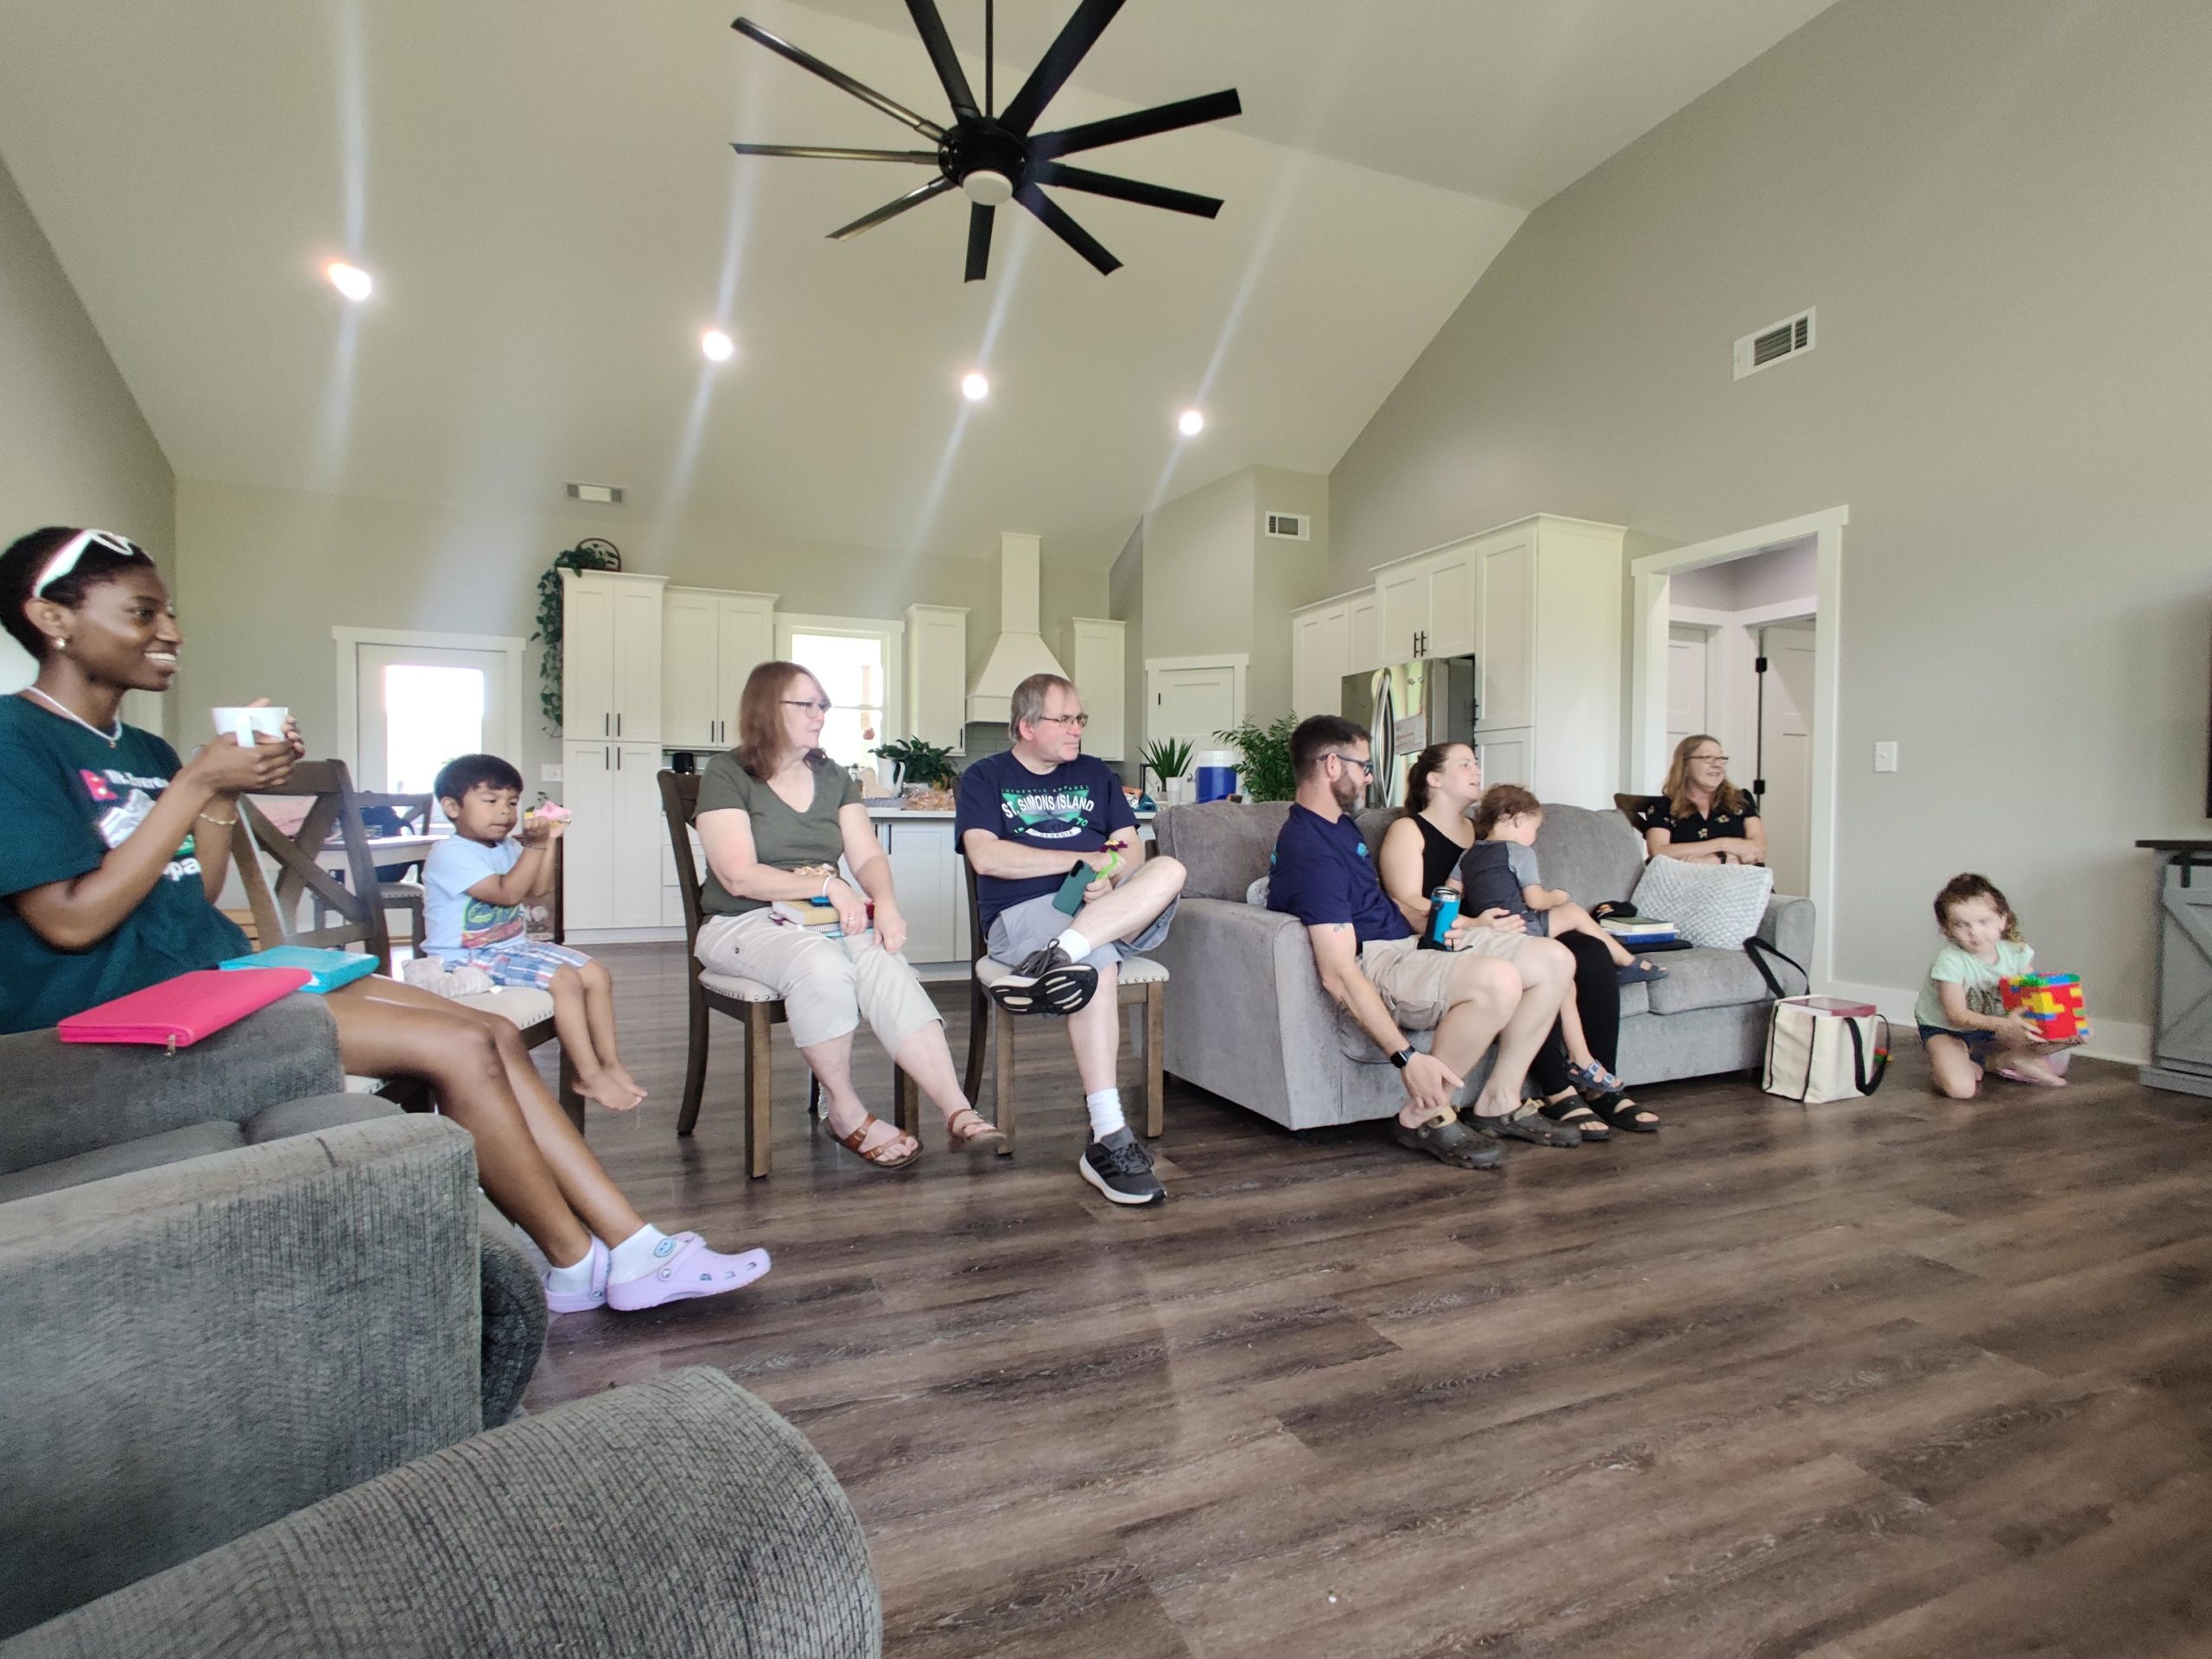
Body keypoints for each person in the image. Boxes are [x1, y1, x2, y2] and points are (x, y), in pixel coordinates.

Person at [0, 525, 769, 1315]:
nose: (171, 631)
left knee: (492, 1031)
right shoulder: (13, 739)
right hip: (114, 1014)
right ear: (52, 618)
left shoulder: (144, 750)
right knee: (462, 1043)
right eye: (143, 612)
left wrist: (221, 789)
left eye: (169, 612)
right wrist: (198, 784)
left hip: (211, 979)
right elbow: (68, 923)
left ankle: (628, 1250)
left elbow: (195, 896)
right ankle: (580, 1257)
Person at [692, 660, 1002, 1169]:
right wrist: (828, 885)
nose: (820, 715)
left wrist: (887, 905)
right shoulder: (727, 774)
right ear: (767, 708)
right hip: (742, 923)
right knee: (823, 967)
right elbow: (738, 876)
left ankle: (958, 1110)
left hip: (822, 919)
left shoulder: (833, 777)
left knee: (885, 962)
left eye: (823, 706)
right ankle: (844, 1110)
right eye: (807, 705)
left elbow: (867, 855)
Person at [1269, 717, 1578, 1169]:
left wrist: (1455, 925)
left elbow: (1385, 904)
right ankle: (1425, 1114)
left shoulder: (1340, 826)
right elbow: (1338, 973)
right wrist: (1407, 1057)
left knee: (1554, 959)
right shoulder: (1310, 852)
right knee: (1498, 980)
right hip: (1380, 961)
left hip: (1409, 943)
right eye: (1364, 766)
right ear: (1332, 765)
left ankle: (1499, 1101)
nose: (1369, 778)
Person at [957, 672, 1187, 1206]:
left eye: (1080, 718)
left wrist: (1109, 870)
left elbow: (1129, 847)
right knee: (1098, 964)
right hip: (1027, 913)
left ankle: (1058, 957)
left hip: (1106, 906)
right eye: (1064, 719)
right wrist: (1082, 860)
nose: (1077, 729)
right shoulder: (985, 777)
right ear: (1027, 726)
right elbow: (986, 857)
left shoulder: (1096, 774)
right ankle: (1108, 1136)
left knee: (1169, 869)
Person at [1376, 744, 1658, 1138]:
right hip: (1458, 936)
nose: (1477, 770)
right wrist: (1475, 923)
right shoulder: (1408, 829)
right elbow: (1406, 901)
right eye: (1465, 764)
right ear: (1434, 779)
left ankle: (1599, 1083)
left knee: (1591, 951)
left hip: (1506, 928)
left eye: (1476, 763)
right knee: (1538, 966)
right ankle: (1558, 1091)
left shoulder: (1482, 831)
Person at [422, 752, 645, 1113]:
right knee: (564, 980)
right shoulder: (450, 854)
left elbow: (538, 890)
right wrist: (535, 845)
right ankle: (587, 1075)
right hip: (464, 958)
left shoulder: (509, 847)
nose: (505, 811)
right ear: (452, 807)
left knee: (596, 974)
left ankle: (610, 1063)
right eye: (491, 801)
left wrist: (550, 840)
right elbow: (507, 893)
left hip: (511, 947)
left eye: (512, 803)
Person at [1913, 873, 2082, 1098]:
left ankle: (1996, 1060)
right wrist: (2004, 1025)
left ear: (2003, 919)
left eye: (1984, 922)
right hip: (1947, 1029)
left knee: (2069, 1034)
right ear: (1946, 929)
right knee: (1961, 1089)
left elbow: (2035, 996)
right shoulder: (1950, 961)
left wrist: (2068, 1023)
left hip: (1995, 1027)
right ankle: (1950, 1066)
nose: (1974, 933)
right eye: (1961, 925)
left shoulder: (2016, 952)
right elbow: (1956, 1015)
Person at [1645, 734, 1767, 866]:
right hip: (1687, 878)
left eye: (1721, 758)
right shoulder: (1663, 806)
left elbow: (1758, 849)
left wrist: (1712, 860)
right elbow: (1659, 851)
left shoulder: (1741, 799)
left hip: (1741, 877)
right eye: (1708, 757)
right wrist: (1724, 844)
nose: (1717, 764)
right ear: (1685, 765)